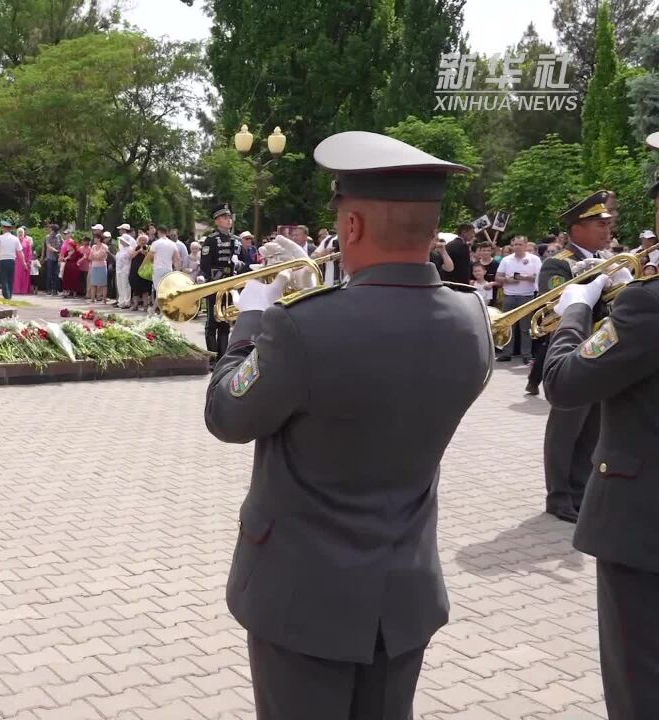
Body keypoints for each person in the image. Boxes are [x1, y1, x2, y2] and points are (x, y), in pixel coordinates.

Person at [205, 131, 491, 720]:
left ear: (353, 228)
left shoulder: (301, 327)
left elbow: (228, 415)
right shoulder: (472, 318)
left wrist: (252, 320)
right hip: (404, 595)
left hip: (302, 599)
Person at [542, 255, 654, 719]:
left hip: (644, 528)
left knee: (640, 689)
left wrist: (574, 310)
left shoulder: (648, 304)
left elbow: (564, 382)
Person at [536, 191, 616, 522]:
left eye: (609, 223)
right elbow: (553, 309)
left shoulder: (608, 258)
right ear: (577, 228)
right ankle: (558, 496)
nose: (608, 229)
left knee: (594, 428)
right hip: (573, 352)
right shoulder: (558, 263)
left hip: (603, 351)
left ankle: (580, 490)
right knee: (566, 427)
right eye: (600, 223)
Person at [200, 204, 247, 364]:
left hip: (232, 287)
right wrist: (216, 277)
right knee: (212, 322)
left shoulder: (237, 241)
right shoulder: (211, 240)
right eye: (225, 218)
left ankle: (223, 358)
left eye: (229, 217)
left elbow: (246, 264)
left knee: (226, 322)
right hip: (215, 285)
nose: (229, 220)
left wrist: (239, 265)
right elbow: (205, 265)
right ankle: (212, 357)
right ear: (217, 221)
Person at [494, 235, 541, 363]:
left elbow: (539, 277)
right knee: (508, 326)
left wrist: (525, 278)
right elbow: (498, 278)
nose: (517, 247)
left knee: (525, 327)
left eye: (520, 244)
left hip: (527, 296)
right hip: (509, 295)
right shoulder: (506, 260)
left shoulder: (534, 260)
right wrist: (507, 280)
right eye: (515, 245)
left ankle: (526, 354)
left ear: (525, 245)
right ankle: (507, 353)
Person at [0, 220, 21, 299]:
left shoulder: (0, 238)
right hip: (12, 260)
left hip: (3, 260)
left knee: (4, 278)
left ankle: (6, 295)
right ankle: (9, 295)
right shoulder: (15, 238)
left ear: (4, 228)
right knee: (10, 278)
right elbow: (20, 251)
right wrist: (24, 262)